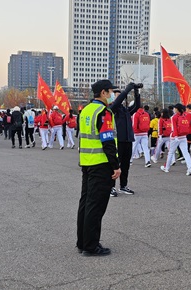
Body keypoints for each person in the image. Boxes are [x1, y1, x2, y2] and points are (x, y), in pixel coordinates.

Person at [77, 79, 121, 257]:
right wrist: (116, 165)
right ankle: (91, 246)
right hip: (101, 163)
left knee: (86, 204)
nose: (111, 95)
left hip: (87, 162)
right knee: (96, 206)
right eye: (110, 92)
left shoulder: (86, 110)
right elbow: (108, 140)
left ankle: (83, 241)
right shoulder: (103, 112)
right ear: (103, 92)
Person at [109, 83, 140, 196]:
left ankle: (123, 186)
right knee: (115, 165)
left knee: (126, 165)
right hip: (118, 140)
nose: (119, 97)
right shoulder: (112, 108)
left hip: (128, 140)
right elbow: (117, 102)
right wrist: (126, 90)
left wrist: (136, 92)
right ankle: (111, 187)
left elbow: (137, 107)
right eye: (116, 95)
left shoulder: (124, 109)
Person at [161, 103, 191, 176]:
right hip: (183, 136)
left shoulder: (174, 117)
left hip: (175, 137)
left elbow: (174, 128)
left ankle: (166, 167)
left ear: (177, 109)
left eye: (175, 108)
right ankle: (190, 168)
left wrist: (176, 136)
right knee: (186, 153)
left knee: (171, 152)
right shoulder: (185, 115)